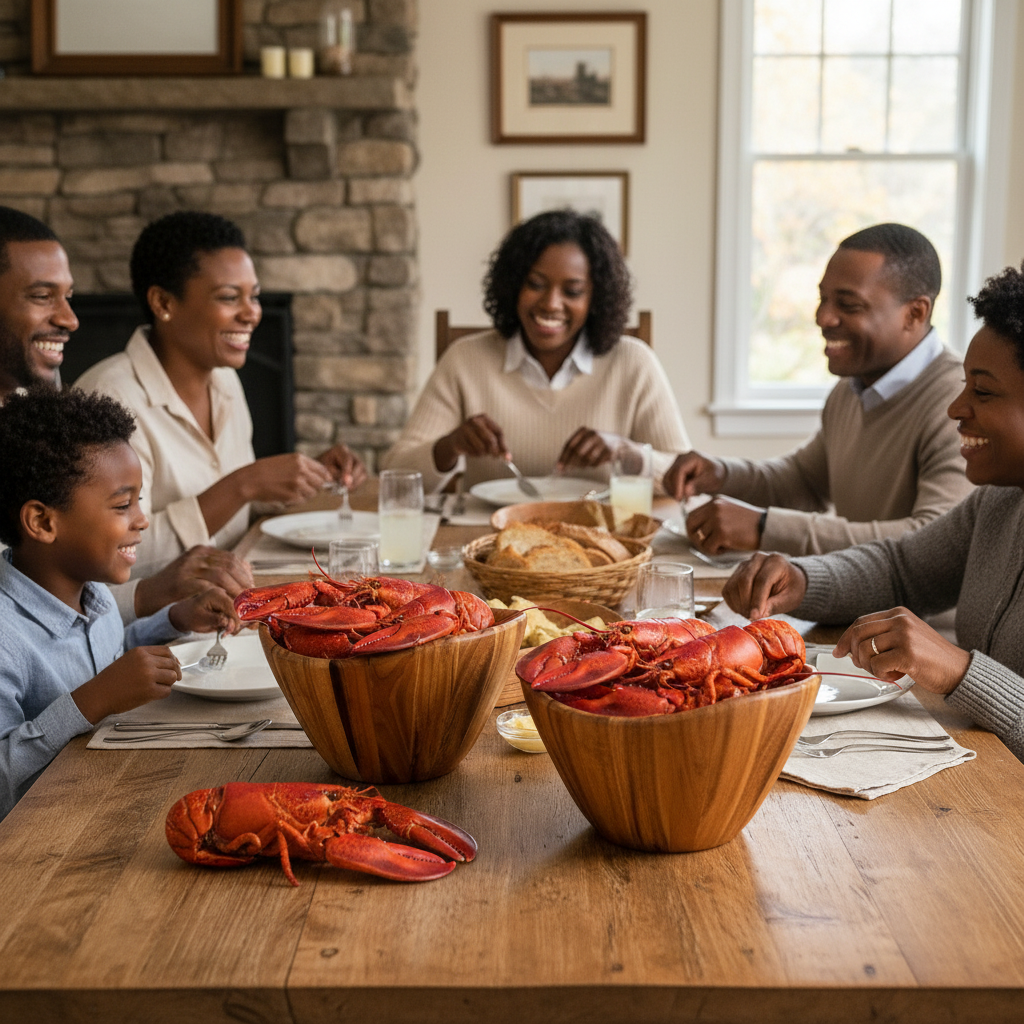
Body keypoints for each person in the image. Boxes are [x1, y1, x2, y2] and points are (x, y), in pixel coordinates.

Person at [722, 261, 1024, 762]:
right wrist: (801, 580)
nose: (956, 407)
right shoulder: (1001, 500)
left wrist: (957, 670)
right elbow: (901, 568)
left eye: (983, 391)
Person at [77, 211, 367, 582]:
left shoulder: (225, 380)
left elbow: (232, 503)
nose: (252, 314)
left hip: (235, 586)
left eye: (255, 297)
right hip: (158, 621)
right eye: (230, 297)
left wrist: (303, 475)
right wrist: (242, 484)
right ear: (163, 302)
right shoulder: (109, 399)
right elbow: (115, 552)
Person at [0, 203, 254, 622]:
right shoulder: (105, 395)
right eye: (42, 296)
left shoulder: (39, 401)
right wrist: (153, 595)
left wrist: (166, 617)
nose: (70, 319)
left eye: (69, 297)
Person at [0, 386, 238, 819]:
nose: (142, 519)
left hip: (105, 796)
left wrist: (173, 618)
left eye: (139, 501)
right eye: (123, 505)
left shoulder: (93, 594)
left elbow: (105, 655)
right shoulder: (5, 637)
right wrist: (90, 702)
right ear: (42, 521)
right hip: (36, 846)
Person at [664, 223, 972, 556]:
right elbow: (803, 482)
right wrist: (722, 474)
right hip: (858, 600)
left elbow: (932, 540)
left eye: (848, 305)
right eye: (823, 299)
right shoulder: (850, 390)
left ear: (915, 313)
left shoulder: (960, 405)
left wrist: (764, 527)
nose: (823, 317)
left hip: (914, 610)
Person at [382, 209, 690, 492]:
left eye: (572, 291)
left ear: (595, 299)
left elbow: (685, 476)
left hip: (603, 542)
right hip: (487, 541)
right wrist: (449, 446)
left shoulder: (633, 363)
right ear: (513, 286)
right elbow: (395, 474)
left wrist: (627, 453)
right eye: (536, 284)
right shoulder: (464, 360)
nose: (551, 303)